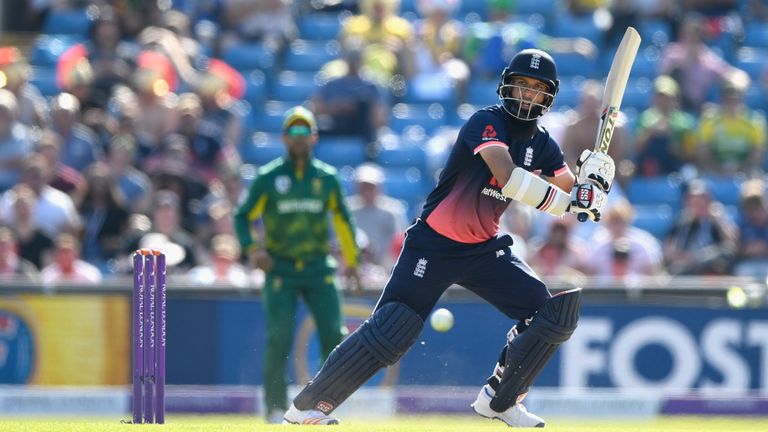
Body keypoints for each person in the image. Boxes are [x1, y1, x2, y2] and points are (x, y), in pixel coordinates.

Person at [282, 49, 614, 426]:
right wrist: (572, 204)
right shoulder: (486, 123)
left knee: (550, 314)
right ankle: (307, 408)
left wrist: (594, 186)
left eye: (535, 89)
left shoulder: (543, 143)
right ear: (507, 85)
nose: (526, 95)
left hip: (485, 249)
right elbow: (507, 176)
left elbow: (574, 193)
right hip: (434, 244)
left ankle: (501, 400)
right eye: (521, 85)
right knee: (391, 330)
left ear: (547, 96)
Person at [233, 106, 361, 424]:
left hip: (319, 267)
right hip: (281, 269)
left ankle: (324, 405)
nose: (300, 138)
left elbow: (344, 221)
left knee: (334, 335)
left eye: (305, 132)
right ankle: (275, 407)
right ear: (284, 138)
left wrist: (352, 261)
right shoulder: (269, 178)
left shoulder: (326, 178)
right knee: (279, 336)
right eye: (294, 132)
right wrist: (252, 250)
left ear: (315, 137)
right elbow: (242, 217)